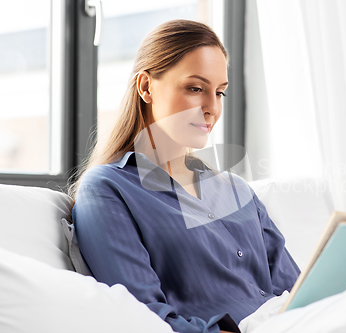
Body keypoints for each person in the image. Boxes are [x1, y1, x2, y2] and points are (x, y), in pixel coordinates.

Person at [71, 19, 300, 333]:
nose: (211, 108)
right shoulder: (108, 190)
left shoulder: (236, 190)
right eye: (195, 88)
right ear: (146, 87)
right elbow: (146, 317)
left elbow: (300, 292)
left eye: (220, 93)